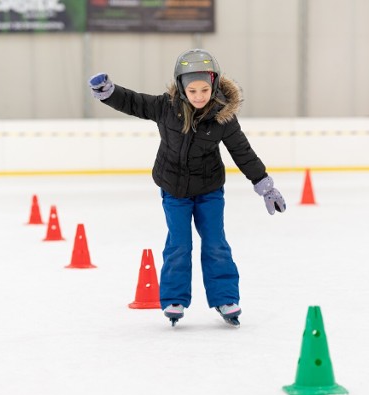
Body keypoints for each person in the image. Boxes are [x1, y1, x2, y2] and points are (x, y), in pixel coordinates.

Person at [88, 48, 286, 327]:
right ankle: (174, 298)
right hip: (173, 188)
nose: (199, 96)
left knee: (216, 243)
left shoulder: (222, 116)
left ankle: (225, 298)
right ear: (181, 88)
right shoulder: (164, 107)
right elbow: (134, 102)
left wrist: (264, 184)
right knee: (179, 245)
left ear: (214, 85)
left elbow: (242, 151)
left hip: (209, 190)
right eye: (192, 90)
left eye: (204, 89)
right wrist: (109, 91)